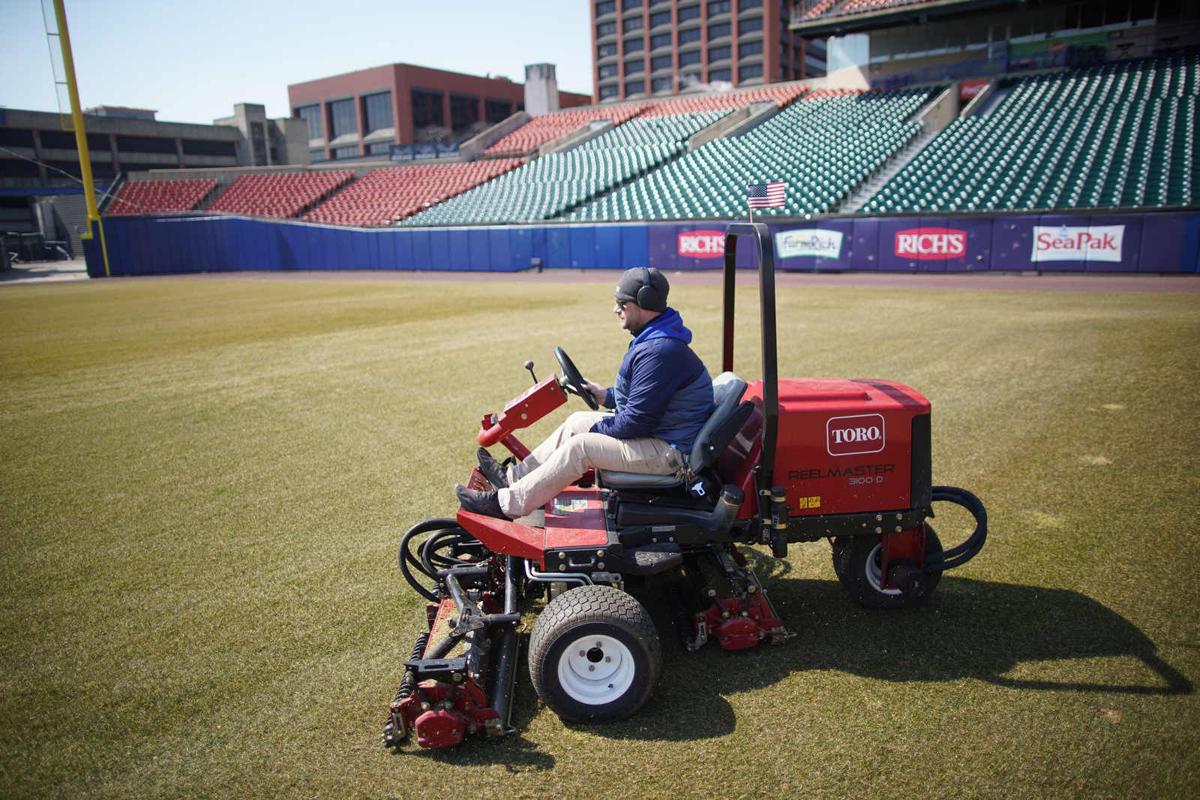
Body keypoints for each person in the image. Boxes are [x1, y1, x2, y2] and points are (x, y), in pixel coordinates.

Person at [456, 267, 714, 520]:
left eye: (621, 304)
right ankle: (512, 479)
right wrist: (605, 396)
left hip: (669, 453)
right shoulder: (656, 338)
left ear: (643, 303)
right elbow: (648, 399)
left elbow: (637, 421)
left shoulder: (660, 350)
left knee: (581, 446)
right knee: (577, 422)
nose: (616, 309)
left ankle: (506, 505)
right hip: (661, 435)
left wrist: (597, 431)